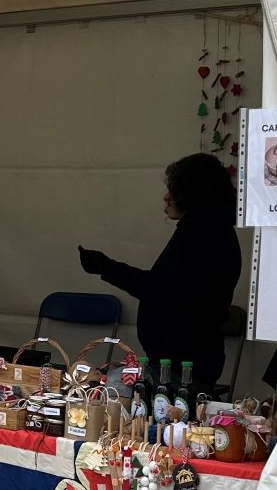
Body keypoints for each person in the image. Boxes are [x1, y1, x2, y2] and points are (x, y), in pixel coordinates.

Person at [77, 152, 242, 393]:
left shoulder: (203, 233)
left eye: (173, 190)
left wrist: (107, 267)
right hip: (179, 358)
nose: (166, 197)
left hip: (184, 362)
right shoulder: (206, 229)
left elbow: (161, 289)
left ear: (190, 192)